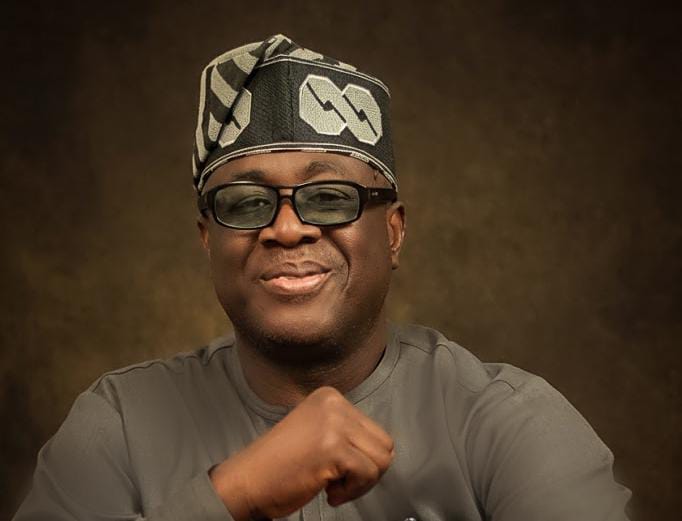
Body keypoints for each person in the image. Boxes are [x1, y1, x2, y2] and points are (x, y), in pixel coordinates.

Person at [12, 34, 633, 521]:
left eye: (330, 198)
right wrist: (233, 495)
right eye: (246, 202)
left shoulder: (505, 422)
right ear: (208, 239)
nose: (286, 230)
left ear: (393, 232)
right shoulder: (119, 424)